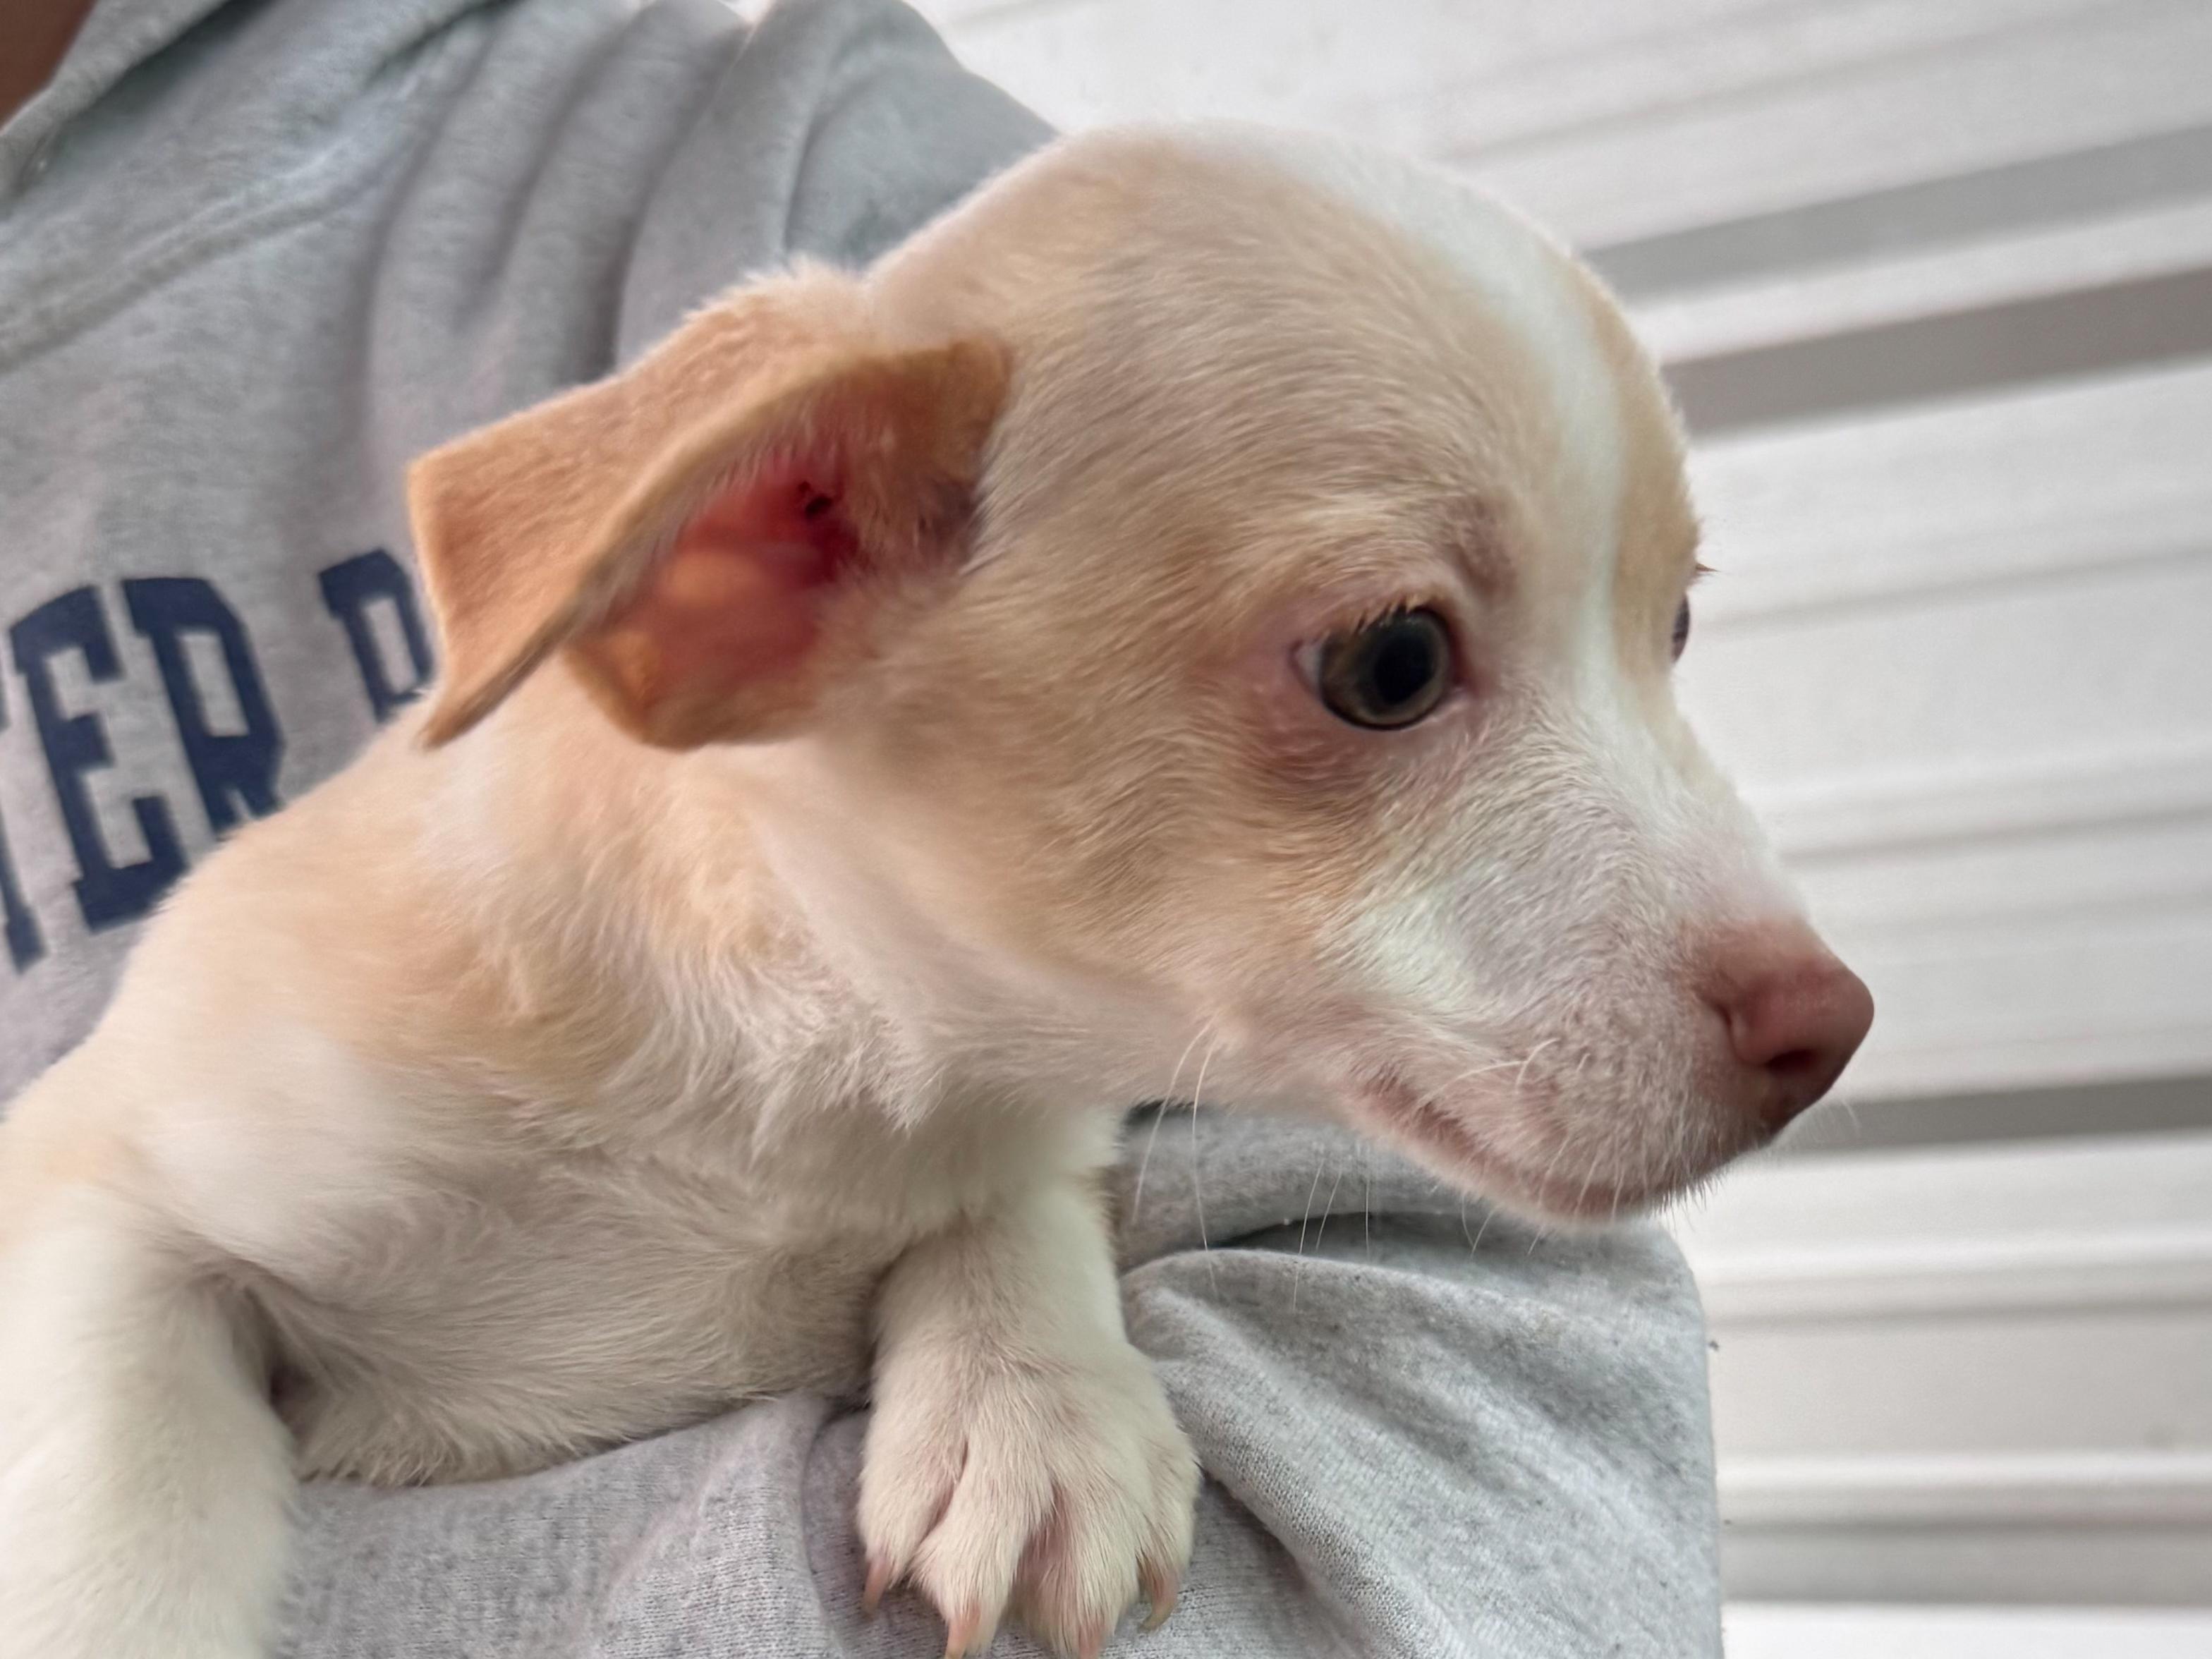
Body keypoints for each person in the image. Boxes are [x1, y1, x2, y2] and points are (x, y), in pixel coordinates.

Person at [0, 1, 1724, 1652]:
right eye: (1387, 662)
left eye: (1669, 631)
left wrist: (1009, 1291)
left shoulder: (981, 265)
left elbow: (1469, 1552)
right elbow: (106, 1229)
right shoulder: (374, 986)